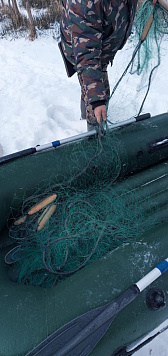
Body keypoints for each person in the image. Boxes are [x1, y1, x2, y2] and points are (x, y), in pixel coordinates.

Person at [60, 0, 138, 129]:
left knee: (92, 87)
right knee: (97, 95)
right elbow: (86, 53)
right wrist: (97, 100)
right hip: (82, 51)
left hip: (103, 46)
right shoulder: (84, 3)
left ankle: (88, 111)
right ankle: (95, 139)